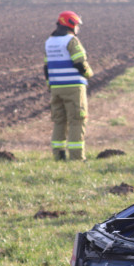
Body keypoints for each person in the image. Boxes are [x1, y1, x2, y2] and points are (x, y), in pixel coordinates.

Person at [44, 10, 93, 161]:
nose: (78, 28)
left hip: (56, 88)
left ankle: (58, 156)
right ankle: (77, 158)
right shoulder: (71, 41)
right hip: (73, 87)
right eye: (77, 25)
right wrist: (89, 73)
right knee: (77, 120)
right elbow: (79, 63)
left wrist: (50, 85)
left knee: (59, 121)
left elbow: (46, 67)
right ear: (71, 24)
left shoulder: (49, 42)